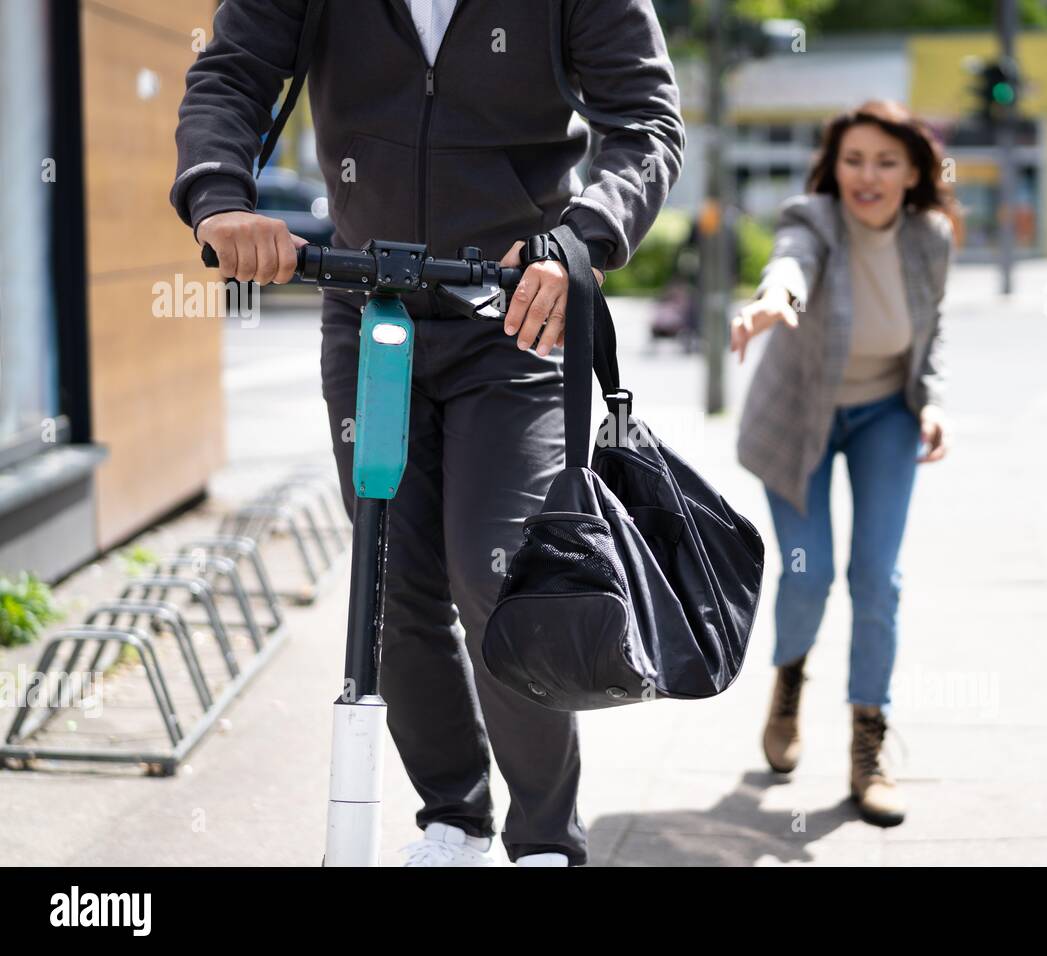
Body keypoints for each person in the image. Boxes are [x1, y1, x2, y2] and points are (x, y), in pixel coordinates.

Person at [169, 0, 684, 866]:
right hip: (369, 303)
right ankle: (454, 816)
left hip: (518, 310)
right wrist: (221, 196)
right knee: (392, 583)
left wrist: (581, 238)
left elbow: (645, 124)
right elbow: (233, 74)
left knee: (503, 576)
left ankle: (545, 836)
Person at [729, 100, 958, 828]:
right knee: (808, 571)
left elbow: (935, 327)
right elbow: (791, 263)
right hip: (800, 418)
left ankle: (869, 742)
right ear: (835, 166)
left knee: (877, 579)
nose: (868, 176)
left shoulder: (932, 236)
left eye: (887, 162)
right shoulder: (813, 217)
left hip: (886, 413)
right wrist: (772, 301)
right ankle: (790, 678)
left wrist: (934, 400)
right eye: (854, 159)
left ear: (914, 170)